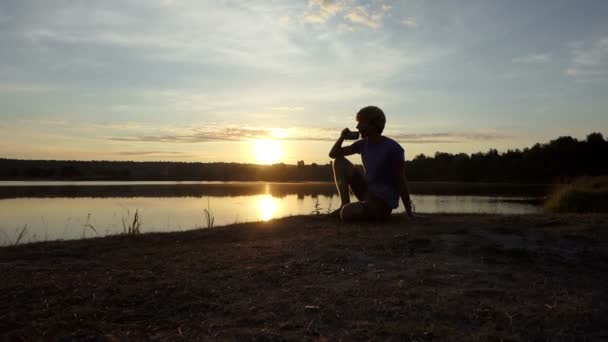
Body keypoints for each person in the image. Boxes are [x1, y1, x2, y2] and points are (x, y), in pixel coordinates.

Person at [328, 106, 414, 221]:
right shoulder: (363, 144)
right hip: (368, 193)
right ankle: (344, 204)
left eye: (360, 123)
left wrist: (409, 213)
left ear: (372, 124)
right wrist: (342, 137)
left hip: (381, 204)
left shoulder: (393, 148)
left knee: (347, 213)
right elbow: (333, 154)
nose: (357, 127)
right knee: (339, 162)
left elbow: (401, 181)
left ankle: (351, 210)